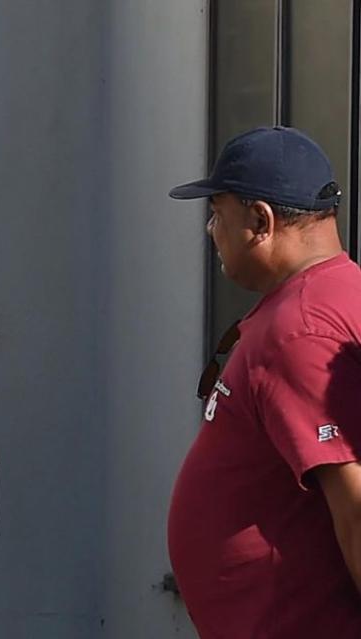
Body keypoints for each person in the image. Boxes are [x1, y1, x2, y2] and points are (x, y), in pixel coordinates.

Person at [167, 126, 361, 637]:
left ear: (260, 220)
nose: (211, 231)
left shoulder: (302, 329)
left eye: (217, 214)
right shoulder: (328, 296)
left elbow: (356, 504)